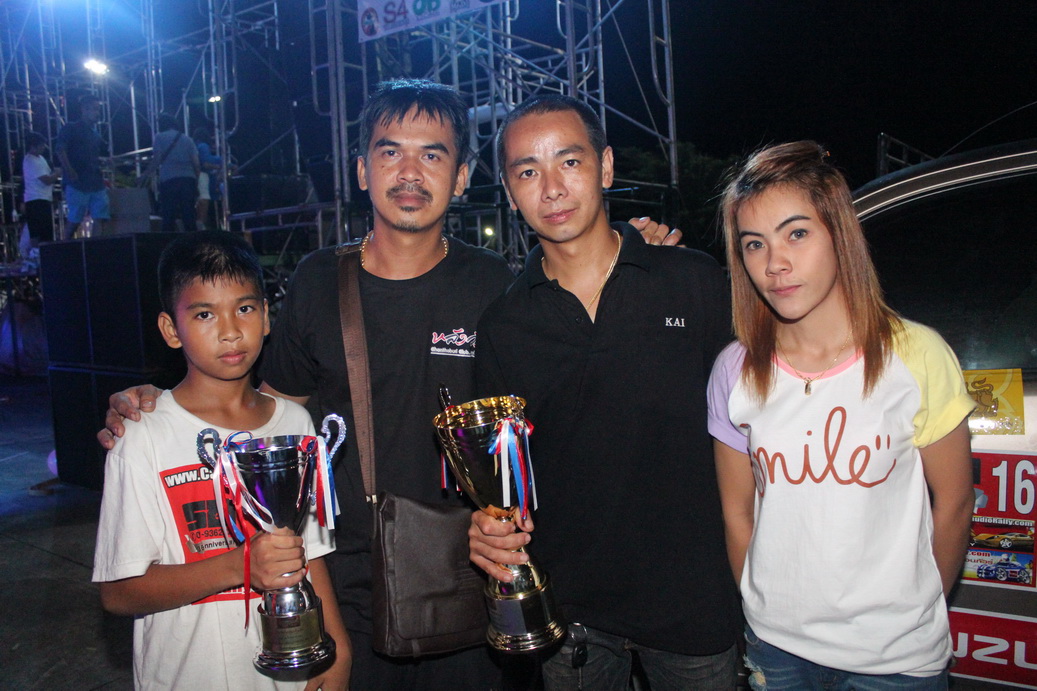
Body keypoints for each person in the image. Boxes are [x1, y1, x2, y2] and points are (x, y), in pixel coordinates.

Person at [97, 80, 681, 690]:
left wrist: (636, 254)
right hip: (349, 589)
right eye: (390, 151)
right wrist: (166, 406)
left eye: (432, 154)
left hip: (472, 581)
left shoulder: (495, 286)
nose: (409, 173)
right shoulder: (318, 281)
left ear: (461, 177)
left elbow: (568, 381)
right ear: (361, 170)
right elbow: (266, 419)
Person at [468, 94, 740, 690]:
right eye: (527, 172)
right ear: (510, 192)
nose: (552, 189)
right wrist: (489, 525)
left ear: (606, 167)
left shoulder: (692, 281)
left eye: (570, 162)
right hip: (572, 618)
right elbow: (502, 479)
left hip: (695, 605)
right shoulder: (504, 325)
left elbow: (748, 433)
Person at [707, 141, 975, 689]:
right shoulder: (735, 369)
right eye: (754, 244)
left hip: (895, 661)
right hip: (777, 651)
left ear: (839, 235)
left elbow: (954, 502)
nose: (774, 263)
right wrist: (760, 608)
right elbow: (737, 512)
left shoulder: (916, 354)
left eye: (796, 234)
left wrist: (916, 612)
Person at [91, 230, 350, 690]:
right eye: (205, 314)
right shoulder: (142, 434)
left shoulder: (295, 423)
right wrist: (238, 566)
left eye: (244, 309)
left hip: (288, 677)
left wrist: (337, 646)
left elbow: (309, 552)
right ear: (171, 330)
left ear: (267, 316)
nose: (230, 331)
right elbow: (118, 591)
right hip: (188, 674)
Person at [55, 94, 109, 238]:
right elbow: (60, 150)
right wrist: (69, 170)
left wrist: (102, 162)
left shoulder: (95, 134)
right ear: (84, 109)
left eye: (98, 109)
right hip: (77, 182)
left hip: (95, 181)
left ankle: (96, 247)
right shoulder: (71, 128)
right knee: (75, 219)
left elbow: (94, 156)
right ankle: (65, 246)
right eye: (95, 109)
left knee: (100, 216)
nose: (97, 113)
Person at [143, 113, 200, 232]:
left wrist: (145, 175)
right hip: (188, 179)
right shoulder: (187, 139)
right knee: (189, 214)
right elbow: (196, 163)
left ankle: (168, 241)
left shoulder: (159, 137)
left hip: (169, 179)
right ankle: (193, 240)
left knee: (168, 214)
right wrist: (196, 180)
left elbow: (157, 160)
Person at [20, 131, 61, 257]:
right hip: (35, 199)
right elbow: (47, 180)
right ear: (33, 146)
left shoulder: (41, 159)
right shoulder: (30, 161)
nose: (44, 147)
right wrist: (58, 173)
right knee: (37, 231)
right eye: (41, 145)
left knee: (46, 231)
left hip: (44, 198)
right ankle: (35, 256)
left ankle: (44, 255)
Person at [194, 126, 222, 229]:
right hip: (204, 178)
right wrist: (220, 162)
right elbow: (206, 163)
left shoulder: (195, 146)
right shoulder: (203, 146)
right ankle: (202, 227)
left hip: (195, 177)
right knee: (205, 202)